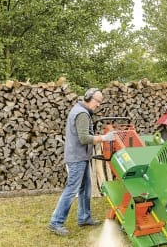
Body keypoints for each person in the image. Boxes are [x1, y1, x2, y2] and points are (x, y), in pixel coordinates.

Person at [48, 88, 115, 236]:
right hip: (77, 158)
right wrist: (104, 138)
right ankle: (56, 222)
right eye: (97, 101)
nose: (98, 105)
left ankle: (84, 217)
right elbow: (84, 138)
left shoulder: (79, 109)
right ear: (89, 98)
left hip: (81, 156)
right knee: (72, 189)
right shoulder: (82, 114)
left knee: (86, 187)